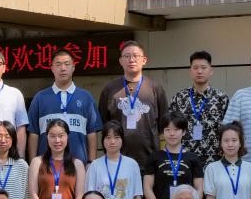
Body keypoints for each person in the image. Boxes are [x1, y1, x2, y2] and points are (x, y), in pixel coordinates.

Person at [98, 40, 169, 169]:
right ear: (120, 61)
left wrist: (163, 156)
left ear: (144, 60)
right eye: (127, 56)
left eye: (136, 56)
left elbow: (164, 127)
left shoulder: (155, 88)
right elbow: (104, 125)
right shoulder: (110, 90)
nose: (131, 60)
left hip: (150, 160)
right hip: (117, 160)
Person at [26, 48, 102, 162]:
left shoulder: (86, 97)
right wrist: (33, 163)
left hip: (79, 165)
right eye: (58, 64)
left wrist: (91, 163)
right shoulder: (40, 98)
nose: (63, 68)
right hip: (46, 166)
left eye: (67, 64)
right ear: (52, 68)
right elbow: (33, 133)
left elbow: (92, 133)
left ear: (73, 67)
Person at [142, 113, 207, 199]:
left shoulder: (193, 158)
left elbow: (199, 188)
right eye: (167, 130)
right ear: (163, 132)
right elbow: (147, 187)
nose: (172, 134)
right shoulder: (155, 157)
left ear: (184, 132)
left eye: (176, 130)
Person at [169, 50, 230, 164]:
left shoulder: (221, 98)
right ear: (190, 71)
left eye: (203, 67)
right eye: (195, 68)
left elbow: (228, 129)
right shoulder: (179, 98)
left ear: (211, 71)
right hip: (184, 159)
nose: (199, 71)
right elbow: (171, 128)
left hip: (214, 159)